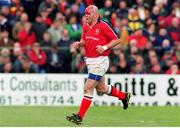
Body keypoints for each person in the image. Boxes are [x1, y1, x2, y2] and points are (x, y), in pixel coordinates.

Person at [66, 5, 131, 125]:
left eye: (89, 14)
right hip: (90, 61)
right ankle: (124, 96)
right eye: (85, 13)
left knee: (88, 87)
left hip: (100, 61)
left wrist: (104, 47)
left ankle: (79, 116)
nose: (86, 16)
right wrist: (79, 44)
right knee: (101, 89)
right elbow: (84, 40)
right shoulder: (85, 26)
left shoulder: (103, 25)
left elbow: (117, 39)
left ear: (95, 15)